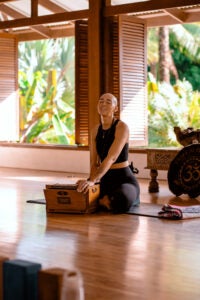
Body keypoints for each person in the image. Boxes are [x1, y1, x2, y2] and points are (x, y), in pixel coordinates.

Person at [77, 93, 140, 213]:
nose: (103, 104)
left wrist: (93, 181)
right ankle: (103, 200)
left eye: (108, 102)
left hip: (124, 179)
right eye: (101, 101)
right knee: (81, 193)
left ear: (115, 108)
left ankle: (105, 200)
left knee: (121, 200)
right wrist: (91, 181)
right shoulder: (95, 130)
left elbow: (111, 157)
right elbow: (93, 161)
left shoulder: (122, 127)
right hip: (105, 179)